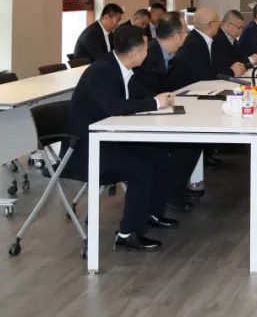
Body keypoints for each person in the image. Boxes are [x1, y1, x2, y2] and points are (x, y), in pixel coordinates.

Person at [64, 26, 179, 252]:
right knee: (141, 170)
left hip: (110, 140)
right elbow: (115, 107)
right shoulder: (102, 71)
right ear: (135, 53)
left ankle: (151, 214)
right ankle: (128, 234)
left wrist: (159, 99)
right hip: (86, 148)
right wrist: (156, 103)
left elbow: (137, 96)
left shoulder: (122, 67)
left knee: (160, 156)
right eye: (146, 48)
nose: (149, 52)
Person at [127, 15, 202, 207]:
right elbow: (141, 89)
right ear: (175, 36)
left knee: (193, 143)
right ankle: (169, 193)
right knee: (183, 145)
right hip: (143, 116)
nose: (187, 35)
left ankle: (176, 188)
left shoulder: (169, 54)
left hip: (161, 110)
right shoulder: (149, 55)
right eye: (185, 32)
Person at [167, 7, 222, 91]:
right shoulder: (193, 44)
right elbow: (204, 76)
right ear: (212, 24)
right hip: (185, 92)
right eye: (218, 22)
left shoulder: (205, 40)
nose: (219, 25)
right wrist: (231, 71)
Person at [212, 10, 253, 77]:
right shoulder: (217, 38)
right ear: (228, 25)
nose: (241, 31)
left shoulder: (231, 37)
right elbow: (225, 63)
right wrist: (250, 60)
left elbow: (239, 57)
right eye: (239, 28)